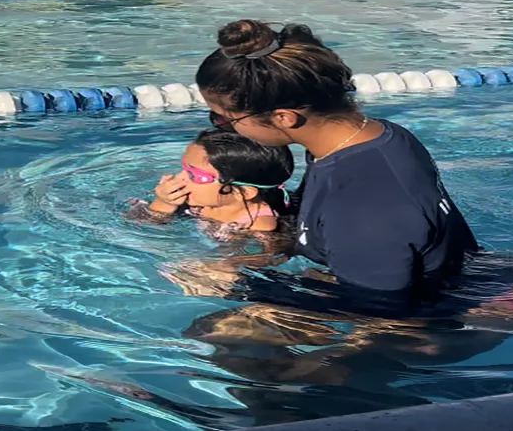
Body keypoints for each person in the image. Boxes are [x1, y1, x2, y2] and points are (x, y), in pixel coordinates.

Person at [194, 19, 481, 304]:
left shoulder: (359, 205)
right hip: (457, 280)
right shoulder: (373, 135)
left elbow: (383, 315)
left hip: (451, 314)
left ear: (284, 117)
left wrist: (242, 287)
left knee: (221, 335)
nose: (221, 126)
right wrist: (259, 249)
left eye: (227, 119)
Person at [135, 129, 295, 235]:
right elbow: (139, 225)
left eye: (195, 175)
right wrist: (163, 203)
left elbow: (264, 257)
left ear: (244, 192)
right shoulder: (199, 201)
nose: (180, 176)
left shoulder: (258, 225)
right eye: (184, 167)